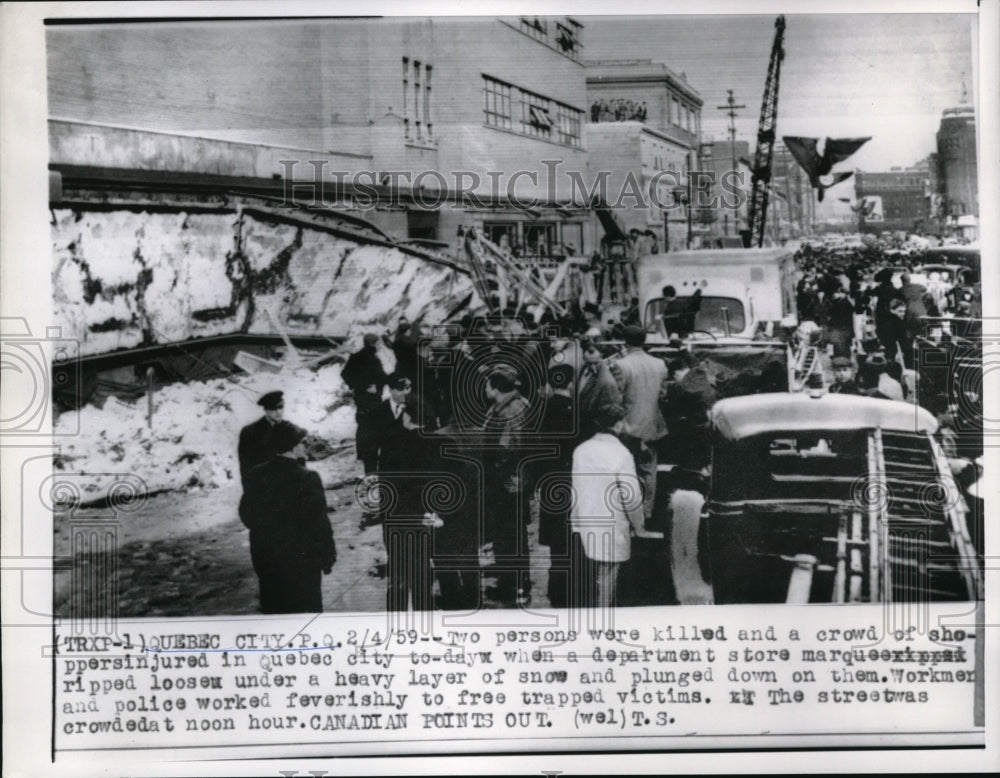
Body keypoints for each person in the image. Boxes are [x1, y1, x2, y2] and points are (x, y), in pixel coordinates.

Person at [238, 421, 336, 614]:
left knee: (275, 612)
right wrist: (327, 556)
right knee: (306, 614)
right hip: (303, 561)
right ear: (293, 446)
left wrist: (266, 533)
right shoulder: (308, 478)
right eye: (302, 442)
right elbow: (319, 523)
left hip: (267, 560)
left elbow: (246, 513)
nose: (304, 446)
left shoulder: (256, 474)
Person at [570, 403, 648, 610]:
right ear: (619, 424)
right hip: (612, 524)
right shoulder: (621, 454)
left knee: (590, 574)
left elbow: (575, 489)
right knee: (608, 578)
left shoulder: (581, 450)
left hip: (585, 520)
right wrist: (638, 524)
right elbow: (630, 496)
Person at [371, 373, 433, 612]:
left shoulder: (420, 409)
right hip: (396, 490)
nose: (405, 394)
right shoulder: (383, 415)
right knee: (401, 555)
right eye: (400, 389)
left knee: (415, 557)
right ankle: (405, 611)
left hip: (412, 493)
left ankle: (416, 609)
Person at [482, 364, 533, 605]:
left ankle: (517, 587)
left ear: (495, 387)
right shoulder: (514, 404)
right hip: (511, 481)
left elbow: (506, 449)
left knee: (511, 536)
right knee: (508, 536)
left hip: (509, 483)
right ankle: (510, 582)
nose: (485, 388)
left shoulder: (511, 410)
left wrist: (489, 474)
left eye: (488, 384)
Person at [609, 325, 669, 524]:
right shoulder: (660, 364)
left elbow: (616, 398)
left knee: (626, 471)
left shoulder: (620, 365)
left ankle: (628, 514)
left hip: (628, 427)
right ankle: (646, 514)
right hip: (652, 425)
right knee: (649, 470)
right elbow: (663, 395)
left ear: (625, 341)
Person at [533, 363, 579, 608]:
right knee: (570, 534)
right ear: (571, 383)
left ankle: (555, 587)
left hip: (550, 479)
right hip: (570, 479)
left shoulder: (543, 410)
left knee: (556, 540)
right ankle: (569, 586)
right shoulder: (575, 412)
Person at [340, 334, 387, 475]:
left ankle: (364, 454)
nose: (380, 346)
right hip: (372, 399)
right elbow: (381, 377)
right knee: (372, 427)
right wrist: (372, 386)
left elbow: (345, 374)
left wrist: (356, 386)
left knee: (363, 423)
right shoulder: (373, 359)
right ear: (374, 343)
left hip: (361, 398)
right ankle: (371, 459)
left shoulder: (356, 357)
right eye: (378, 343)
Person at [578, 338, 623, 440]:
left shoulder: (607, 382)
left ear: (601, 356)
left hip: (593, 431)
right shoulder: (581, 369)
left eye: (595, 363)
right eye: (589, 364)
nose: (593, 367)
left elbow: (612, 411)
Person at [238, 390, 285, 486]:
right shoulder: (250, 432)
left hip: (286, 487)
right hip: (263, 486)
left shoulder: (290, 430)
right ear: (266, 410)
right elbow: (246, 467)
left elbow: (300, 462)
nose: (278, 412)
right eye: (273, 408)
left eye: (281, 407)